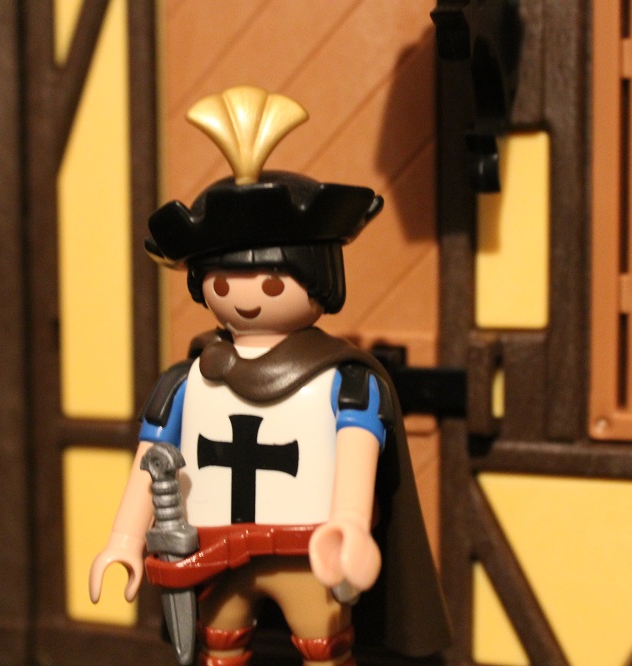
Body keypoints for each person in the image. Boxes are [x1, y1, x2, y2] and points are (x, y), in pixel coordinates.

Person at [90, 86, 449, 666]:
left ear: (317, 280)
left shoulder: (343, 382)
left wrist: (350, 524)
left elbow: (356, 452)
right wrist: (125, 540)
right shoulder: (187, 381)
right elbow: (152, 461)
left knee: (323, 647)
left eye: (274, 282)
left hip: (305, 550)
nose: (247, 297)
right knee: (221, 646)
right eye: (222, 283)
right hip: (214, 551)